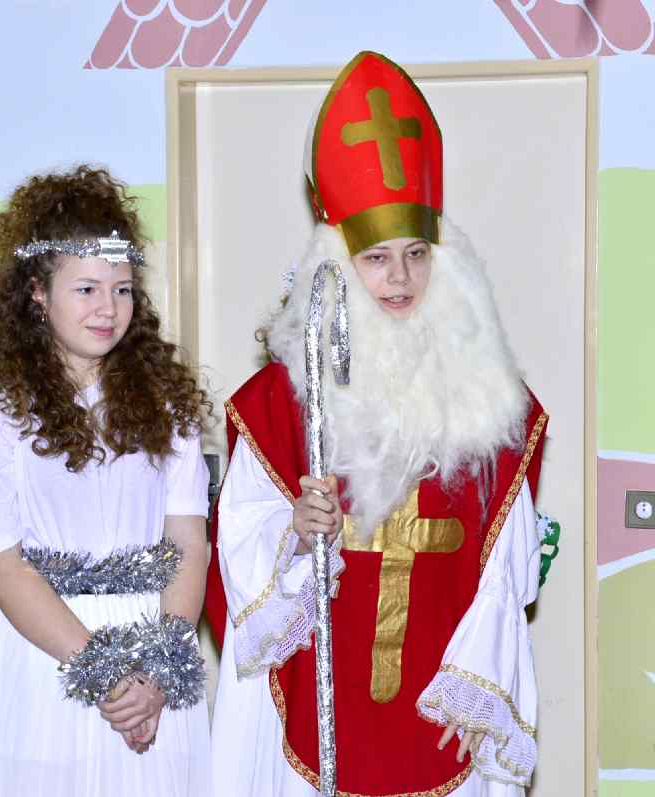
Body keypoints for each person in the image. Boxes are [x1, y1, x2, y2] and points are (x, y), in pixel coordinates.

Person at [205, 51, 548, 796]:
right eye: (377, 258)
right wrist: (296, 532)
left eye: (417, 254)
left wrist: (478, 680)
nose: (400, 277)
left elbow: (506, 553)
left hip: (444, 686)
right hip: (320, 691)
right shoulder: (280, 401)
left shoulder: (490, 398)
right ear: (336, 265)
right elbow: (239, 541)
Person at [0, 165, 212, 795]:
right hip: (50, 659)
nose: (108, 309)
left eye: (122, 290)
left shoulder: (166, 406)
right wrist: (107, 671)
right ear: (38, 293)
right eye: (86, 288)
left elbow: (189, 544)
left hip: (156, 659)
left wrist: (157, 669)